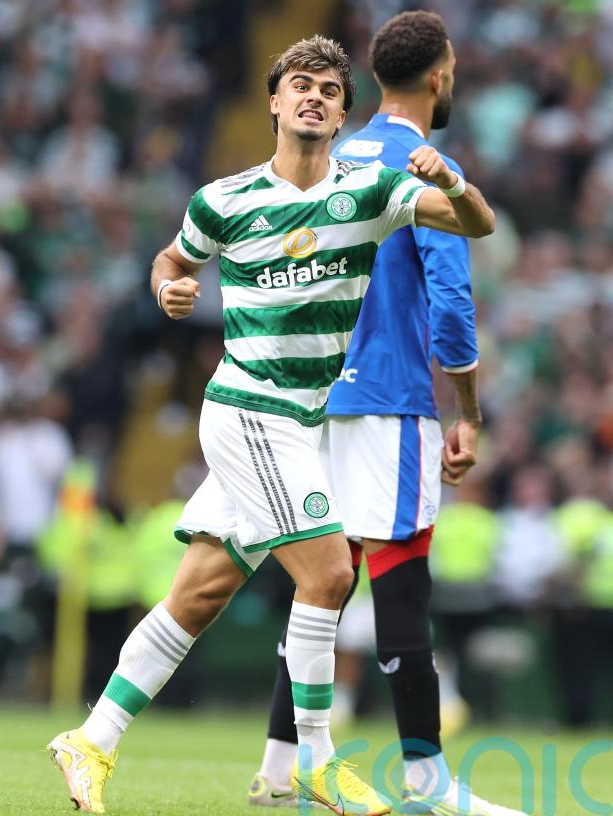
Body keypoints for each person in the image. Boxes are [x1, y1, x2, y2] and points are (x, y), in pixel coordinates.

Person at [47, 34, 494, 816]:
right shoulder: (224, 199)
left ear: (343, 111)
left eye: (329, 88)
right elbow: (172, 260)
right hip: (248, 412)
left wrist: (449, 178)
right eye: (301, 85)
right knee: (329, 574)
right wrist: (168, 288)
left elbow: (476, 225)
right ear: (275, 103)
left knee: (201, 590)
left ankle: (91, 739)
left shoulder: (370, 193)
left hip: (303, 420)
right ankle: (313, 760)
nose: (314, 96)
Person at [247, 13, 523, 816]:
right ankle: (428, 781)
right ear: (439, 76)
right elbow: (452, 302)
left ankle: (277, 766)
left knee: (321, 584)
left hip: (313, 397)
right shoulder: (427, 168)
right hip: (389, 401)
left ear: (371, 80)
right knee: (401, 580)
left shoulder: (328, 157)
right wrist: (467, 412)